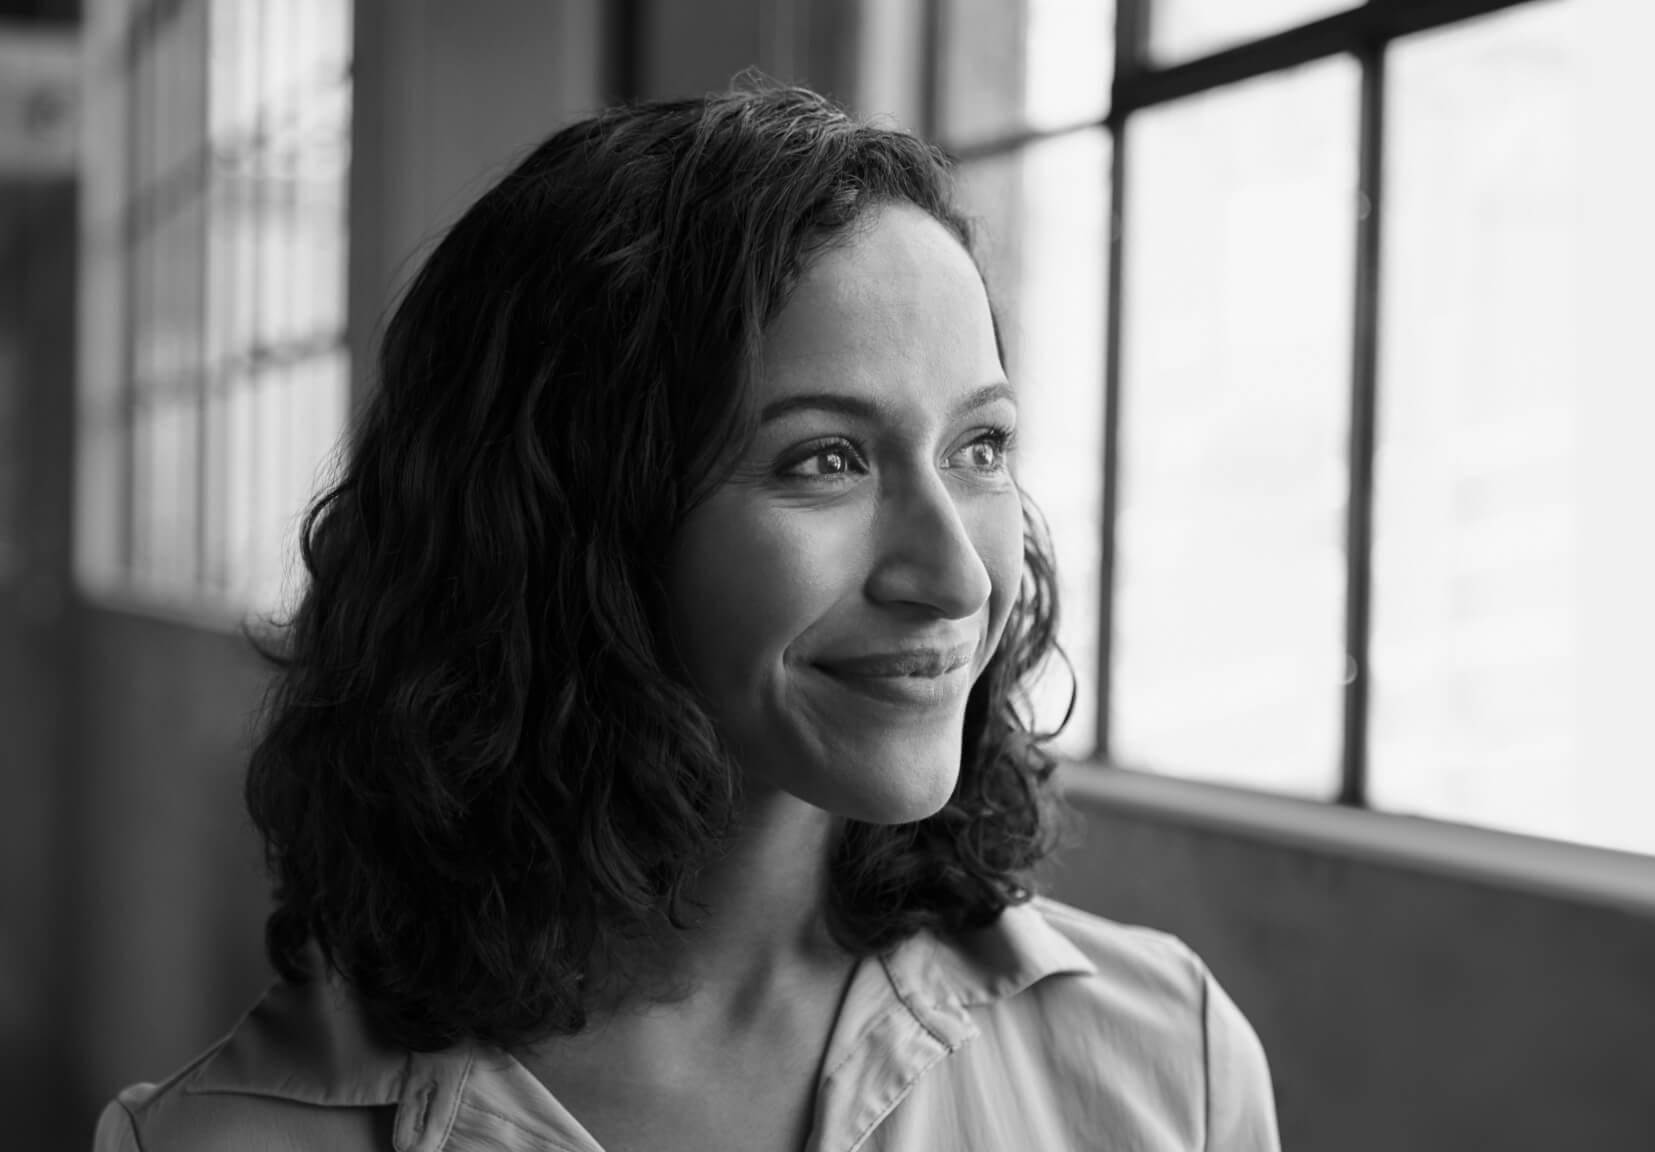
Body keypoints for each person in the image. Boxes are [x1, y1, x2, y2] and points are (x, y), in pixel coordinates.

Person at [92, 84, 1280, 1152]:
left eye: (980, 446)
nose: (958, 577)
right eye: (823, 460)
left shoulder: (1165, 1066)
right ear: (568, 526)